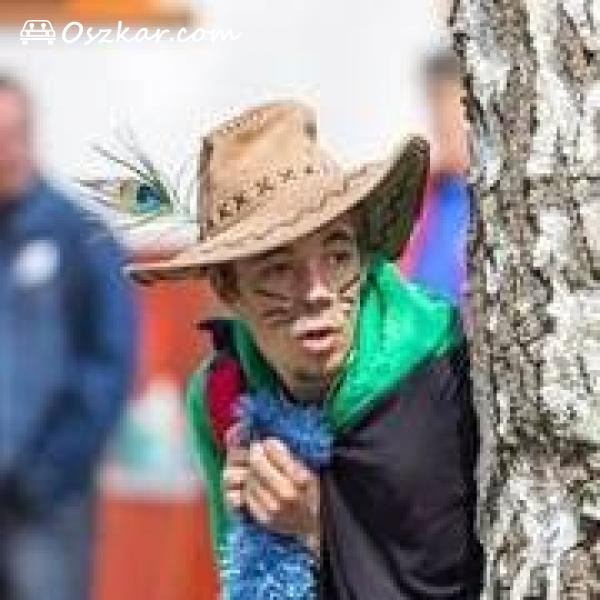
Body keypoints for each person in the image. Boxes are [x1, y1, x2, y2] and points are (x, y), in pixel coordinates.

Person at [130, 100, 484, 598]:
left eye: (337, 256)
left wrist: (313, 528)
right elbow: (241, 580)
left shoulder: (436, 366)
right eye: (278, 269)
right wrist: (259, 526)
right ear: (229, 289)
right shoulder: (223, 393)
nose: (317, 292)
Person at [0, 75, 137, 600]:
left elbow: (110, 359)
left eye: (15, 134)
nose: (7, 151)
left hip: (48, 502)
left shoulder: (78, 236)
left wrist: (55, 466)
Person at [400, 50, 472, 308]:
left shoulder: (498, 198)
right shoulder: (421, 194)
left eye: (457, 110)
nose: (445, 122)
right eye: (437, 108)